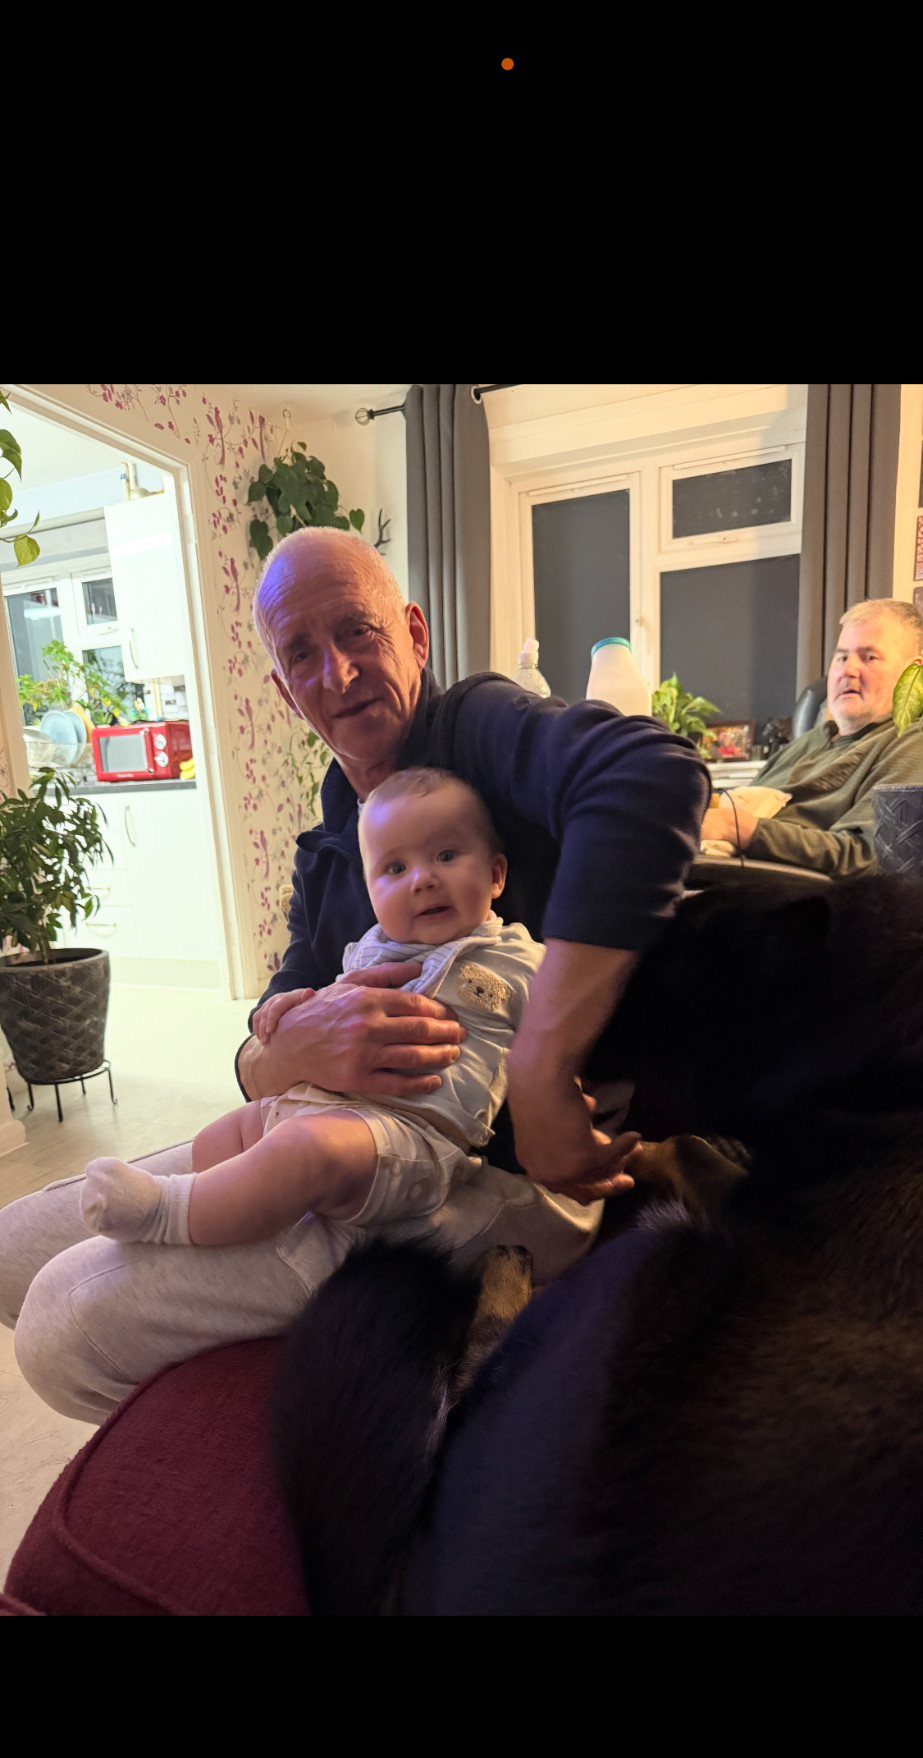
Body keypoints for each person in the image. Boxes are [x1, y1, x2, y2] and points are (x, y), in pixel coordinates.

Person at [2, 526, 707, 1424]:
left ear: (413, 633)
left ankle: (305, 1429)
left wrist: (539, 1065)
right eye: (302, 652)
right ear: (281, 685)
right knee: (12, 1250)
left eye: (357, 632)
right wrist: (288, 1049)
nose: (336, 674)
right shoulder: (337, 838)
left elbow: (650, 775)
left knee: (62, 1327)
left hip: (465, 1172)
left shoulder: (477, 728)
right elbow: (268, 1023)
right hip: (330, 1125)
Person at [77, 769, 641, 1252]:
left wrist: (565, 1104)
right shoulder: (369, 948)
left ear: (496, 875)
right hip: (322, 1105)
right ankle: (230, 1205)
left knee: (302, 1152)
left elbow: (559, 1036)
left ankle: (167, 1219)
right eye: (395, 869)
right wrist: (291, 1009)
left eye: (446, 855)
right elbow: (328, 1006)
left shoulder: (519, 958)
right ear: (370, 892)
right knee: (221, 1137)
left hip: (413, 1139)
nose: (423, 879)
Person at [700, 599, 923, 876]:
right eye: (842, 657)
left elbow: (868, 857)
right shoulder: (810, 741)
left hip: (783, 896)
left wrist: (739, 828)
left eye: (870, 657)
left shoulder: (911, 744)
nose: (848, 670)